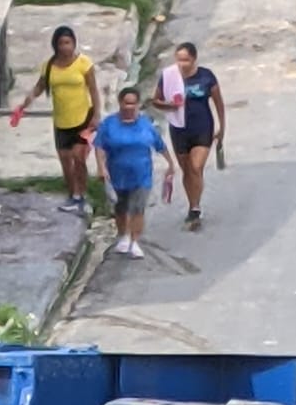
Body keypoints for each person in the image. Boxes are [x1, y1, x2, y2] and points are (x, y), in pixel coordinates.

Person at [11, 25, 101, 216]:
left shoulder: (84, 64)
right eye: (61, 43)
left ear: (74, 43)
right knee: (66, 162)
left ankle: (82, 195)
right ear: (55, 45)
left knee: (79, 159)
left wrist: (96, 115)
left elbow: (93, 90)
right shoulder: (49, 66)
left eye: (68, 42)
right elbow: (39, 87)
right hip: (61, 122)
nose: (65, 47)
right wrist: (25, 103)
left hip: (82, 119)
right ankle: (73, 196)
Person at [93, 86, 175, 260]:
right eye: (126, 103)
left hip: (141, 174)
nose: (129, 107)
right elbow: (99, 146)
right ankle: (123, 235)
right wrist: (101, 166)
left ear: (137, 104)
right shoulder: (109, 124)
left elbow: (159, 145)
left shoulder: (146, 124)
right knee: (121, 207)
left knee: (138, 208)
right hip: (117, 173)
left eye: (133, 103)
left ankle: (135, 241)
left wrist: (170, 163)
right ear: (120, 103)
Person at [152, 42, 224, 228]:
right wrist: (170, 106)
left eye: (185, 59)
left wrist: (222, 127)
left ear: (194, 59)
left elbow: (218, 102)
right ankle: (192, 204)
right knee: (187, 170)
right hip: (179, 129)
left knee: (195, 166)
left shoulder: (206, 77)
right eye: (178, 59)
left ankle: (195, 207)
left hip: (202, 128)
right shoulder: (169, 77)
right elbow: (156, 101)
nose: (181, 63)